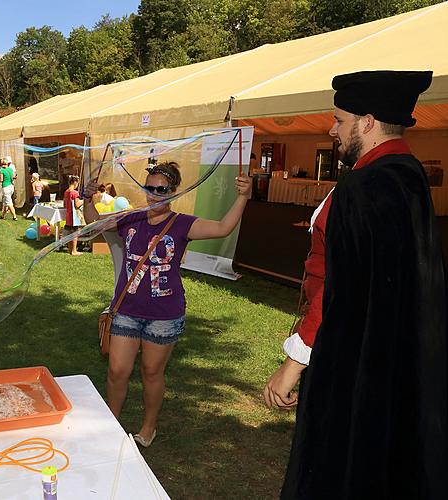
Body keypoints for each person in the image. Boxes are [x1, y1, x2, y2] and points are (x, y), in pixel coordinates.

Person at [279, 71, 447, 499]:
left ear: (367, 121)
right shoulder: (404, 176)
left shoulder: (370, 184)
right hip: (389, 354)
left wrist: (294, 362)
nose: (331, 130)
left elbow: (341, 286)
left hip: (354, 360)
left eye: (339, 120)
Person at [83, 162, 251, 448]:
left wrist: (243, 196)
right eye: (149, 188)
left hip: (163, 315)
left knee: (151, 372)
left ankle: (148, 428)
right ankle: (111, 423)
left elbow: (223, 228)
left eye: (161, 190)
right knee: (117, 371)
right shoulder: (131, 218)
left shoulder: (183, 224)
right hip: (127, 310)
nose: (154, 194)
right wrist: (88, 199)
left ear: (173, 192)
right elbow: (95, 224)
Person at [63, 175, 84, 256]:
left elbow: (65, 204)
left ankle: (70, 249)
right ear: (75, 182)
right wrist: (84, 201)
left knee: (69, 232)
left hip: (68, 215)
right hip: (74, 216)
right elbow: (77, 204)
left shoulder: (66, 191)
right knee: (75, 233)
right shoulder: (75, 192)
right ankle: (74, 251)